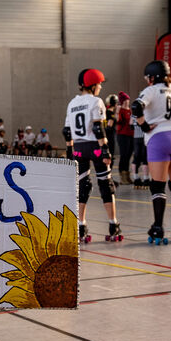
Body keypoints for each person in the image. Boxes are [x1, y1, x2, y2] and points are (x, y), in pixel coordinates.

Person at [134, 60, 171, 244]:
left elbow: (136, 107)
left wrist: (144, 126)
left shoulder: (151, 90)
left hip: (160, 137)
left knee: (158, 186)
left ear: (152, 77)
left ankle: (158, 227)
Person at [65, 68, 122, 243]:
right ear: (92, 85)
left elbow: (67, 131)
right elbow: (98, 128)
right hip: (94, 146)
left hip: (78, 148)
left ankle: (81, 227)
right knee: (106, 184)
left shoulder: (72, 103)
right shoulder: (96, 101)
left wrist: (70, 153)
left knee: (83, 186)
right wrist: (105, 150)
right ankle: (113, 225)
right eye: (99, 84)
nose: (100, 87)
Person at [114, 91, 134, 185]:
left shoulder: (130, 110)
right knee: (124, 155)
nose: (127, 102)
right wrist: (117, 112)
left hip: (131, 135)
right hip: (122, 135)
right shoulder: (120, 110)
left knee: (129, 155)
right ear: (122, 101)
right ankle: (123, 177)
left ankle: (127, 175)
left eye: (128, 100)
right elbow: (117, 121)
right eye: (125, 100)